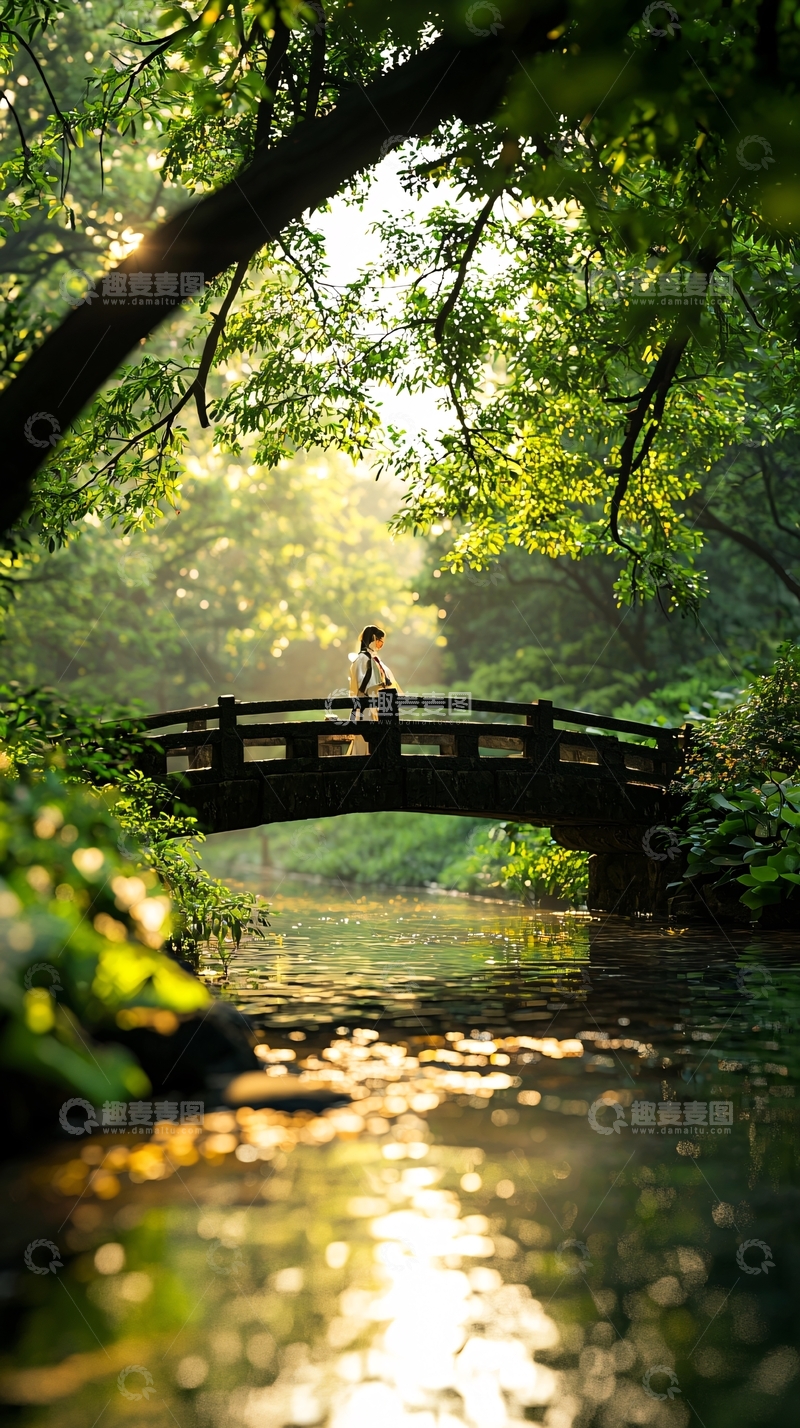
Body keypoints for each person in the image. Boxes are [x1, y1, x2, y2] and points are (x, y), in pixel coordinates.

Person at [346, 624, 403, 756]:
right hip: (366, 708)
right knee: (363, 747)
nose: (380, 645)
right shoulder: (362, 659)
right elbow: (363, 686)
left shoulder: (372, 659)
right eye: (380, 641)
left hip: (375, 708)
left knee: (374, 748)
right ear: (373, 638)